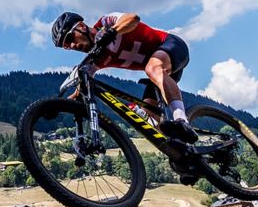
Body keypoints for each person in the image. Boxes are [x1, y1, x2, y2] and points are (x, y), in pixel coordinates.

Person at [51, 11, 198, 142]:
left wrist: (112, 32)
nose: (72, 45)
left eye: (70, 38)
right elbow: (80, 90)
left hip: (172, 46)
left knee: (152, 68)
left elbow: (133, 18)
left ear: (82, 26)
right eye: (67, 46)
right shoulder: (95, 58)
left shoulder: (105, 23)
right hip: (158, 76)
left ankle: (181, 119)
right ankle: (185, 156)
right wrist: (57, 106)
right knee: (151, 123)